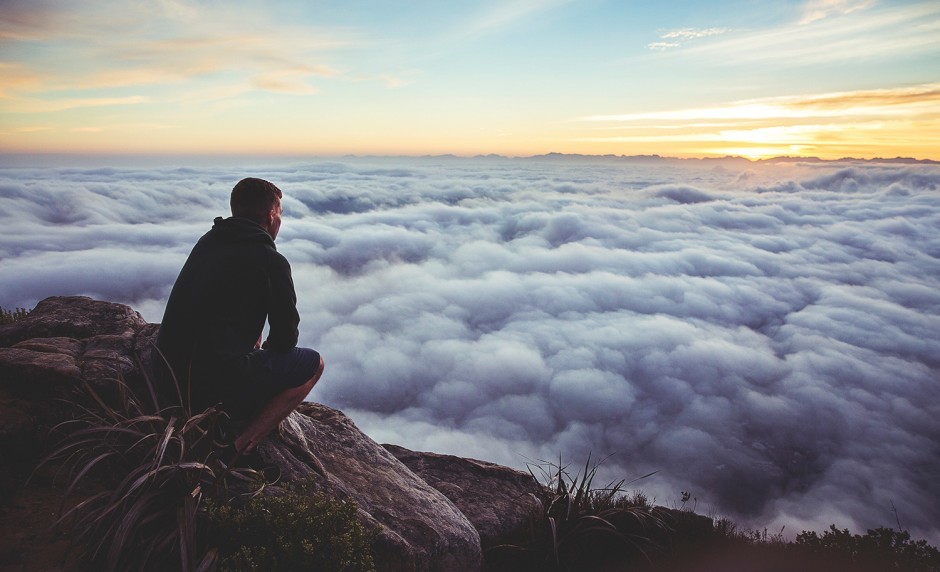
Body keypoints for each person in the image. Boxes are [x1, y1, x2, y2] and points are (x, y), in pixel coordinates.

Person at [156, 177, 324, 459]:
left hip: (167, 377)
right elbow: (286, 339)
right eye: (280, 214)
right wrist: (263, 350)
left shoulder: (208, 241)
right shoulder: (270, 261)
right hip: (210, 387)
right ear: (271, 216)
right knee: (313, 364)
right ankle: (235, 448)